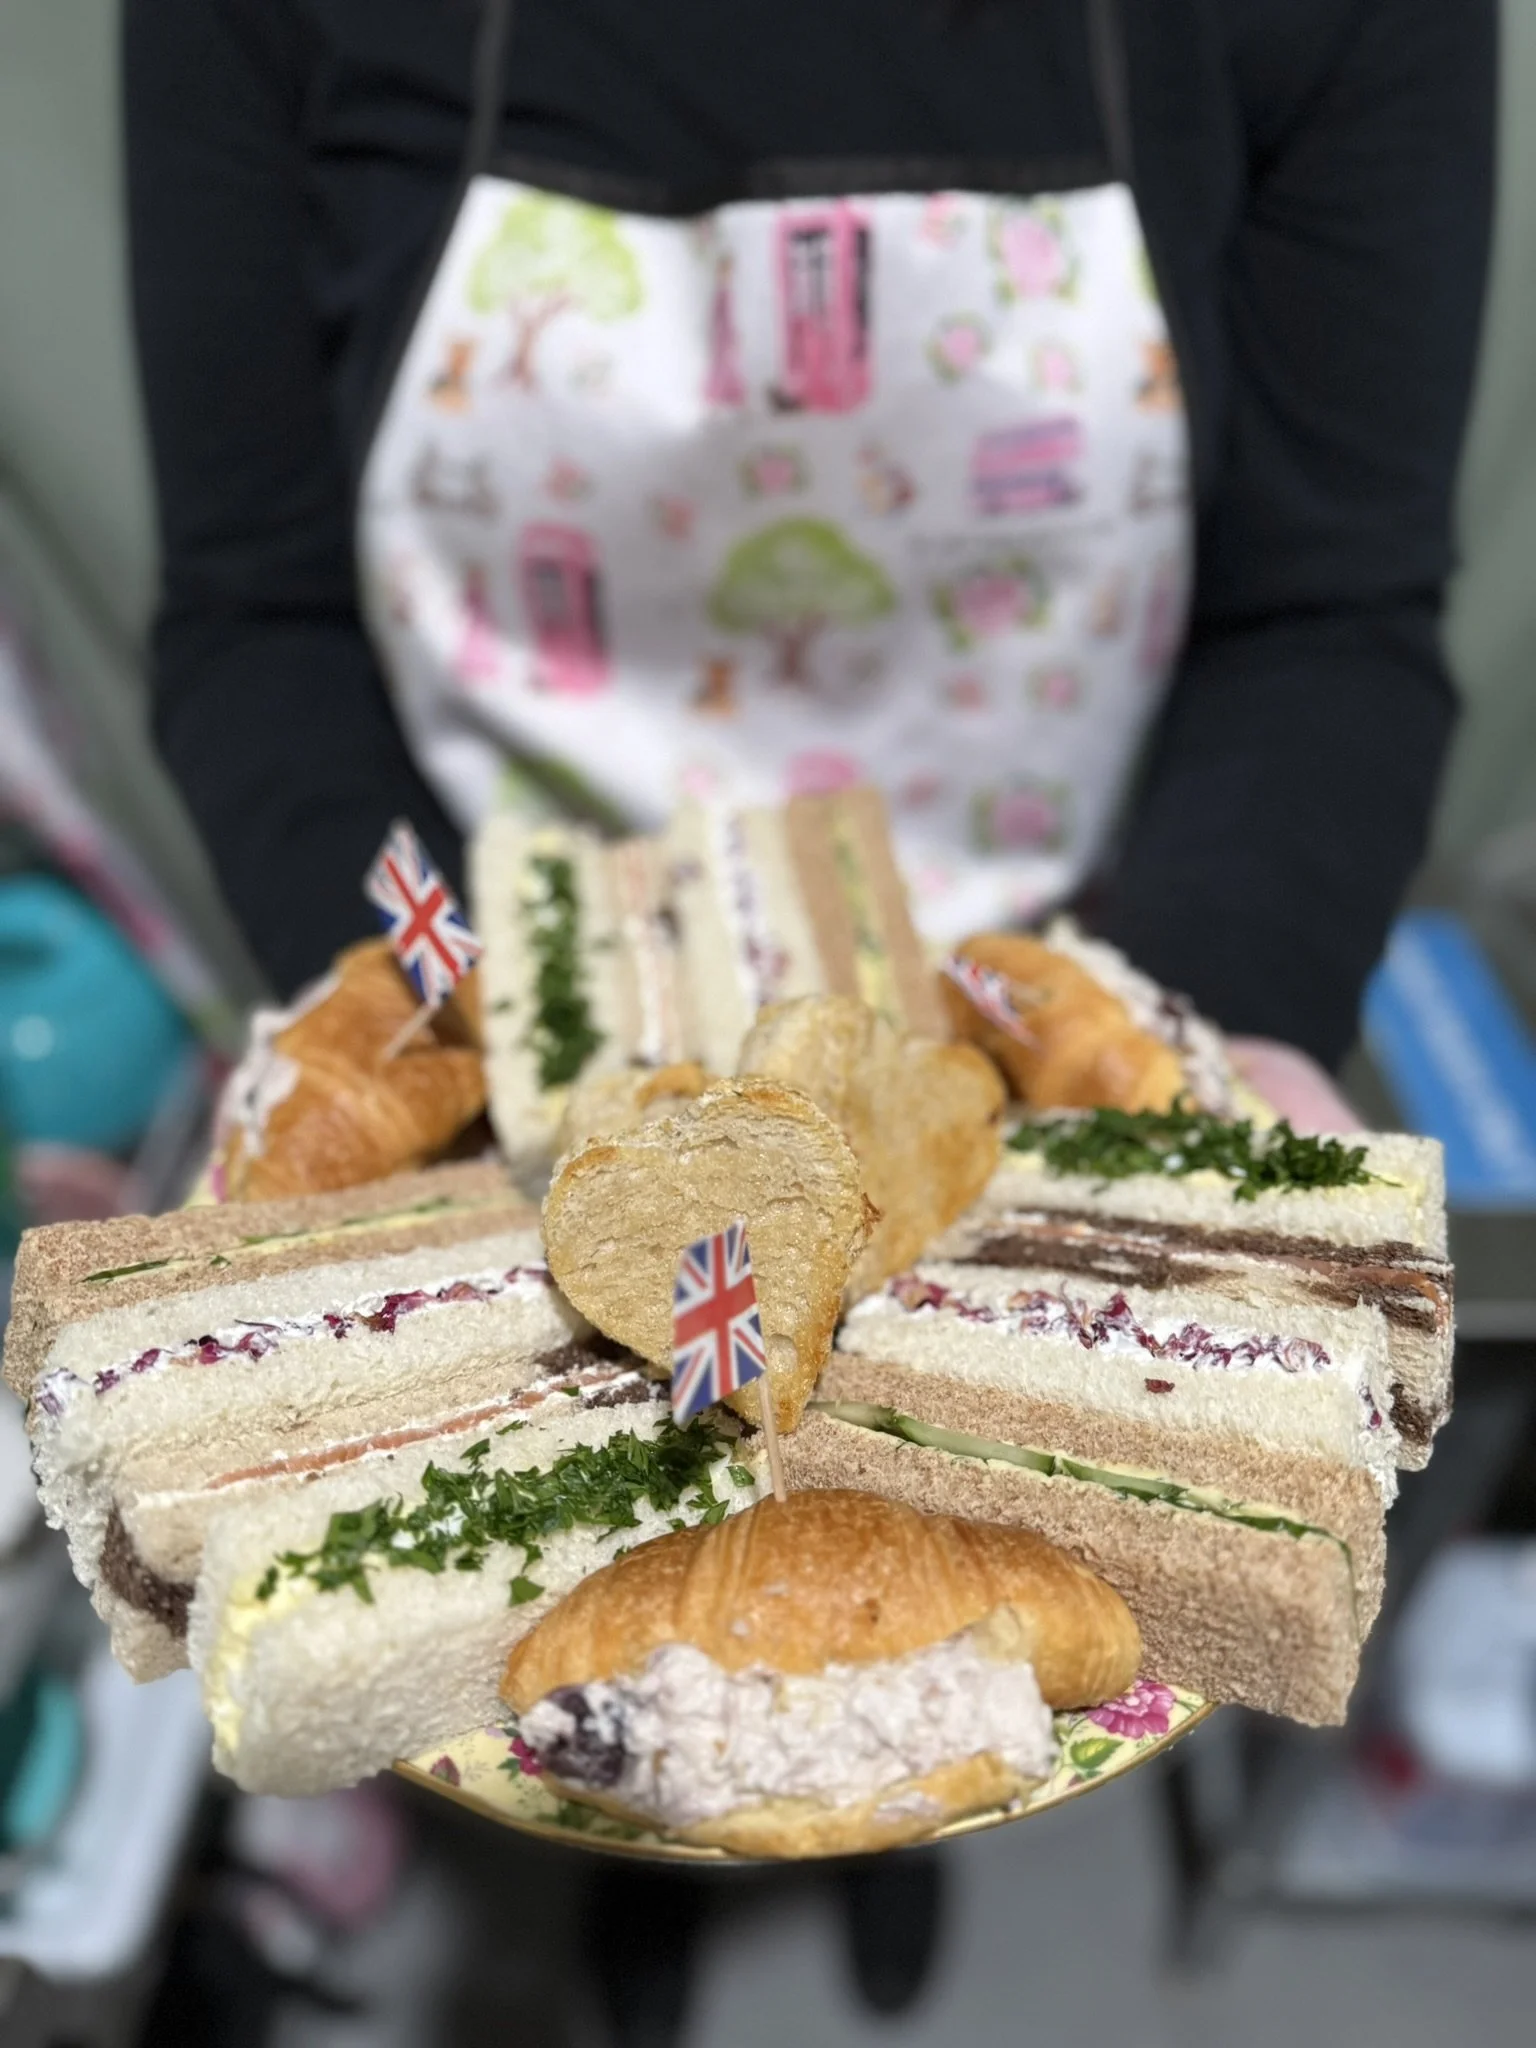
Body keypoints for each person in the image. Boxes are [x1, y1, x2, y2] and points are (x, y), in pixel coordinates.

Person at [124, 0, 1494, 2031]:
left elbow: (1330, 613)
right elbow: (259, 617)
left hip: (1023, 995)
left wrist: (1213, 1030)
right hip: (521, 977)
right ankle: (642, 1891)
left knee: (907, 1575)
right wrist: (427, 1012)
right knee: (632, 1587)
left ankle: (881, 1859)